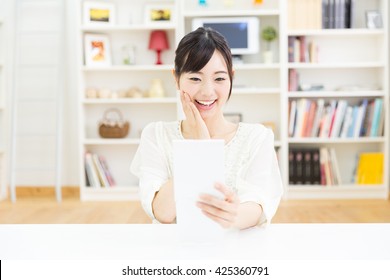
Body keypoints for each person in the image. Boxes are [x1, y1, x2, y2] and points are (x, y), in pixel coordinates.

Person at [130, 27, 283, 229]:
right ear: (176, 78)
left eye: (219, 78)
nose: (207, 91)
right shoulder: (156, 135)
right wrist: (198, 146)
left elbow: (256, 208)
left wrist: (232, 215)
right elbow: (163, 213)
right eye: (195, 78)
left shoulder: (257, 137)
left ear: (231, 78)